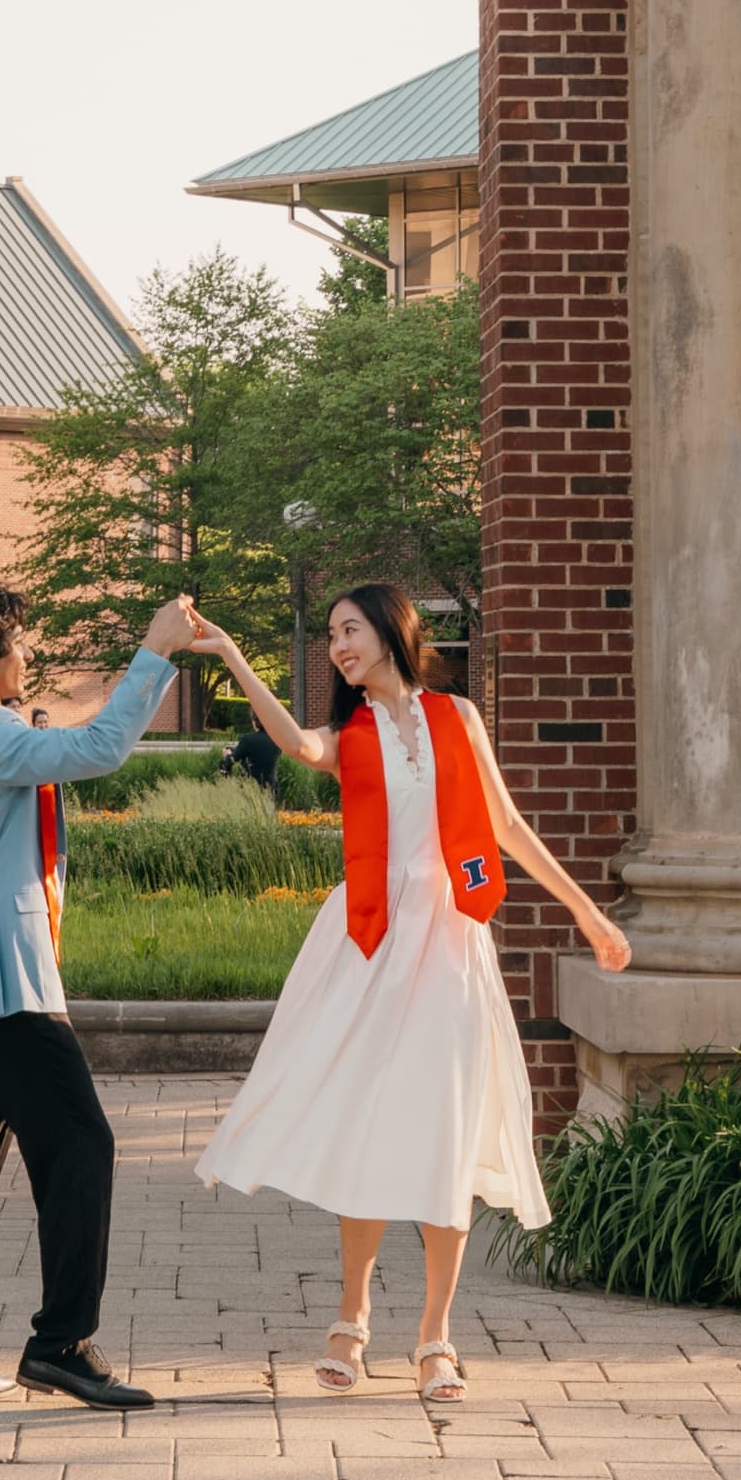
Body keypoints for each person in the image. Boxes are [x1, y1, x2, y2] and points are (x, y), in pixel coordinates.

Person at [185, 584, 629, 1407]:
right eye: (330, 636)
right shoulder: (347, 735)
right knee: (366, 1117)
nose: (338, 647)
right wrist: (231, 655)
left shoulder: (457, 715)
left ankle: (436, 1336)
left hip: (451, 940)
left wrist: (586, 909)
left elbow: (507, 824)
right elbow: (292, 740)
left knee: (445, 1126)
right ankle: (350, 1322)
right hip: (371, 938)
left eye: (348, 630)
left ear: (392, 630)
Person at [0, 576, 208, 1415]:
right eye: (19, 642)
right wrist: (155, 651)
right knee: (82, 1144)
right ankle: (60, 1345)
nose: (28, 653)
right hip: (2, 979)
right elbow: (98, 747)